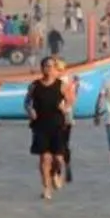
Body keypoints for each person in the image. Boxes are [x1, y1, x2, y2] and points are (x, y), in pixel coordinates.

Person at [26, 56, 74, 200]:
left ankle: (55, 173)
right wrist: (30, 110)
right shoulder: (35, 85)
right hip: (40, 125)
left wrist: (65, 108)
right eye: (46, 66)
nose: (49, 69)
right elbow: (27, 102)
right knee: (45, 158)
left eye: (51, 66)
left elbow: (71, 100)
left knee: (58, 159)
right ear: (42, 68)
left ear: (55, 69)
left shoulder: (61, 85)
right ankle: (46, 188)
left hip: (58, 125)